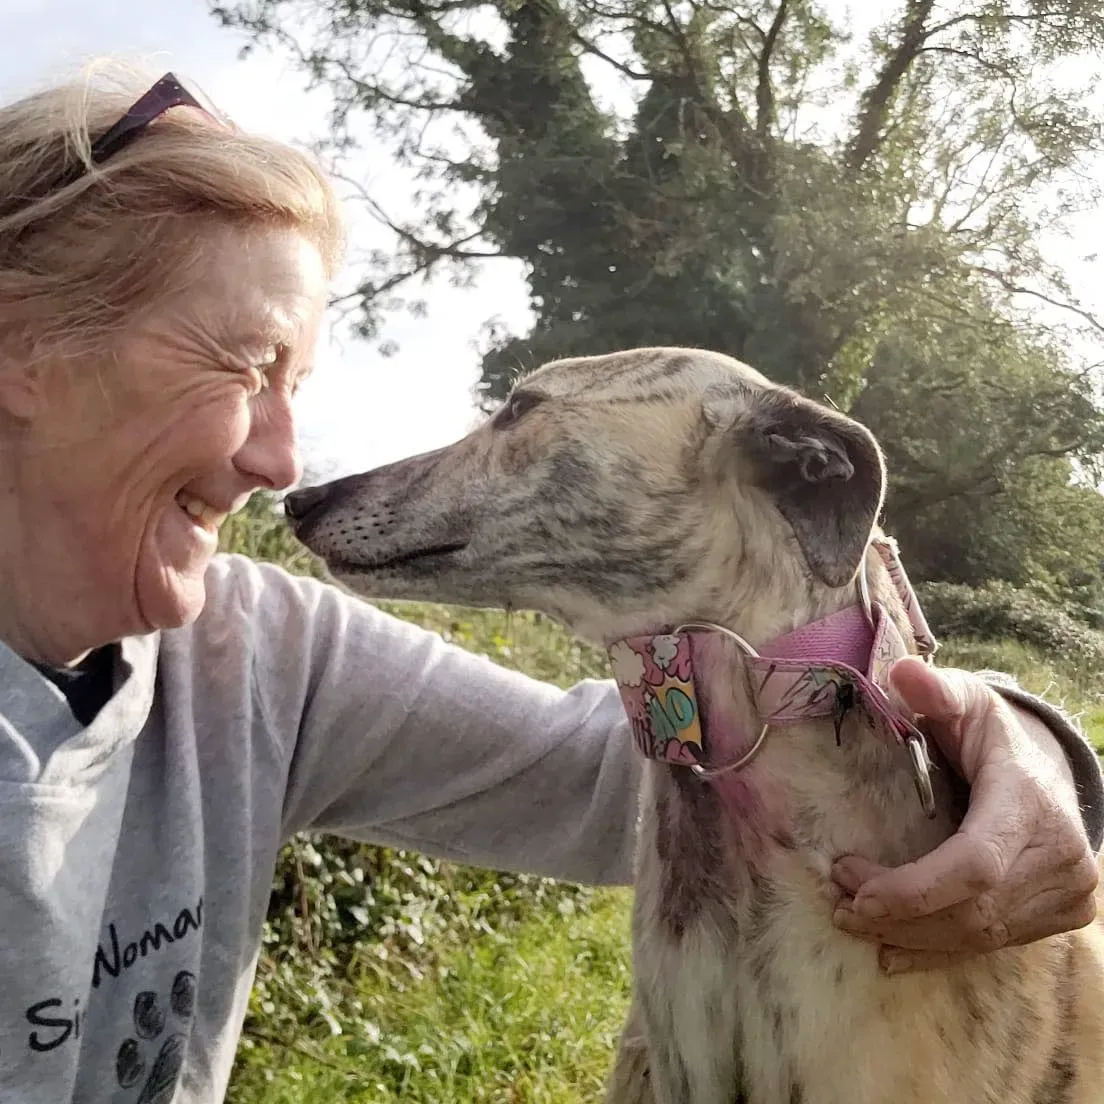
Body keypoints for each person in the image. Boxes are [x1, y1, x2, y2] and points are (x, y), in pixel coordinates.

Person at [0, 60, 1098, 1104]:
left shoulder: (260, 660)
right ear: (21, 347)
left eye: (299, 387)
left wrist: (1002, 734)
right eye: (245, 365)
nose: (285, 462)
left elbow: (634, 766)